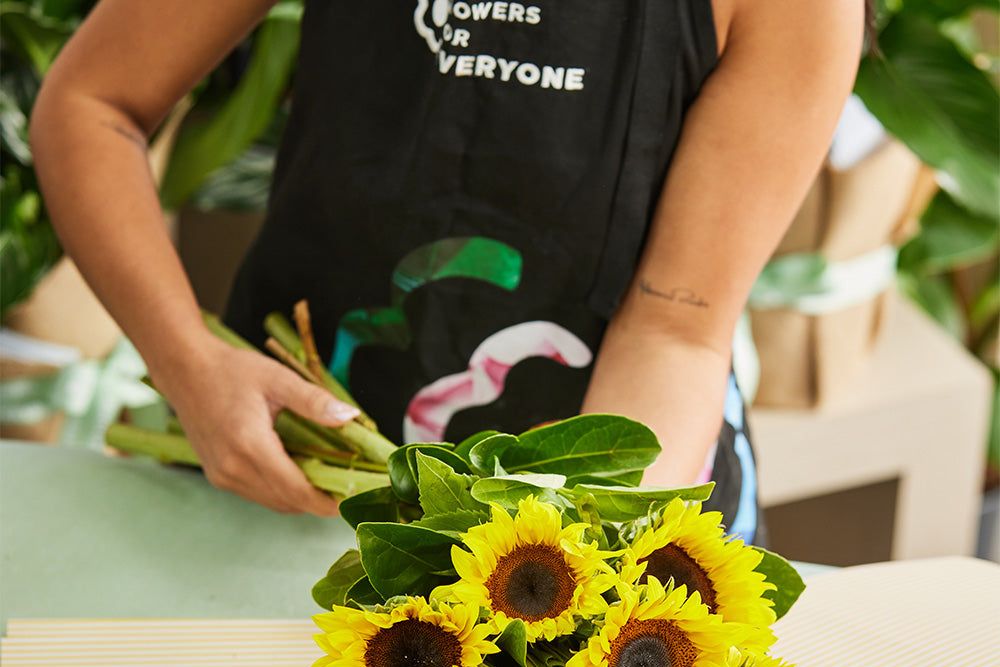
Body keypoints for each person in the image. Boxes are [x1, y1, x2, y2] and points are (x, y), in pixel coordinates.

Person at [29, 0, 864, 538]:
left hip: (610, 502)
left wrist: (572, 580)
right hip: (283, 472)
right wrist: (189, 364)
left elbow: (675, 330)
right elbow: (93, 103)